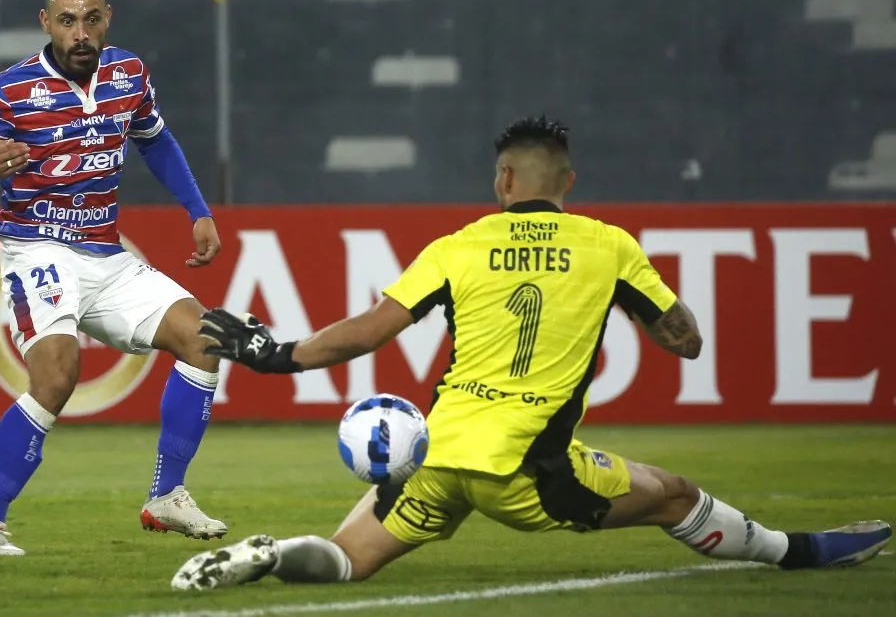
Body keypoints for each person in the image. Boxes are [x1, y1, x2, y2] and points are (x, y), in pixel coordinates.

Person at [170, 116, 891, 589]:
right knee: (671, 492)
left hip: (438, 455)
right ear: (568, 183)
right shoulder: (609, 245)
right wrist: (634, 299)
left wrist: (271, 353)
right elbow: (687, 341)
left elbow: (368, 330)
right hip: (529, 471)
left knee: (345, 557)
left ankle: (268, 555)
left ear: (504, 181)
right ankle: (795, 550)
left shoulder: (459, 245)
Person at [0, 0, 228, 555]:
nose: (80, 33)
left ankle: (166, 495)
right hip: (37, 248)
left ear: (106, 20)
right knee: (57, 373)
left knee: (204, 336)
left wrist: (197, 209)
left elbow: (155, 138)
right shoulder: (10, 89)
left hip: (106, 253)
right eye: (67, 21)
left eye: (90, 20)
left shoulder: (129, 74)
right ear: (46, 22)